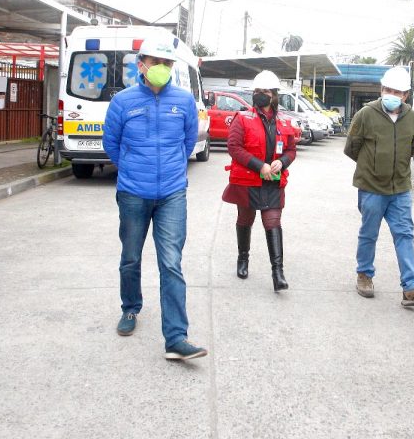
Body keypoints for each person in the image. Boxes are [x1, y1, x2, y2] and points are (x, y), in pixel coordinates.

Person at [102, 34, 207, 361]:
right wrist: (133, 169)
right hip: (133, 192)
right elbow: (112, 144)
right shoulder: (123, 102)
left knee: (171, 262)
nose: (162, 68)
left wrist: (170, 170)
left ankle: (176, 337)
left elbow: (188, 142)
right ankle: (130, 308)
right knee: (131, 257)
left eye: (167, 63)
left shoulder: (185, 101)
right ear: (141, 65)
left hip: (173, 194)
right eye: (156, 62)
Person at [344, 66, 414, 307]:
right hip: (371, 187)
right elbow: (351, 148)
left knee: (405, 234)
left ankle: (411, 287)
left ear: (405, 95)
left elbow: (413, 147)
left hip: (400, 189)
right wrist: (372, 167)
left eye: (396, 91)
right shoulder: (366, 114)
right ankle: (364, 275)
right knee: (369, 233)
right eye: (387, 89)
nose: (390, 94)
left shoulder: (413, 118)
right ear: (381, 89)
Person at [222, 70, 297, 291]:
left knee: (273, 221)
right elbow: (234, 148)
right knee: (245, 219)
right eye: (256, 91)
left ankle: (278, 274)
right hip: (247, 181)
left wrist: (282, 162)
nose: (260, 95)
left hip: (273, 182)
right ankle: (243, 259)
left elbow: (291, 150)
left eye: (264, 91)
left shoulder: (284, 122)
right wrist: (259, 166)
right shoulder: (242, 118)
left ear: (274, 95)